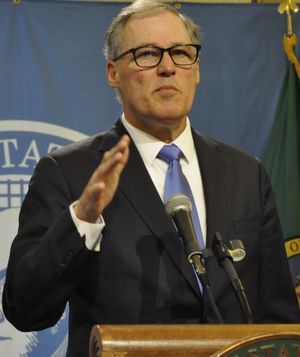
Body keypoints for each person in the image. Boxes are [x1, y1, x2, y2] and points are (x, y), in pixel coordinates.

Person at [2, 0, 300, 356]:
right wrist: (82, 218)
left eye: (180, 53)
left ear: (197, 69)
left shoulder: (245, 173)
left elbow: (279, 317)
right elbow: (25, 309)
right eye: (146, 54)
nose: (167, 68)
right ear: (113, 73)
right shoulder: (69, 172)